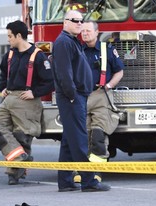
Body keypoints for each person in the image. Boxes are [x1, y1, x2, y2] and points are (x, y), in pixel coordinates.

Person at [51, 10, 110, 192]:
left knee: (69, 140)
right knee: (80, 139)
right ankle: (88, 181)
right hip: (72, 98)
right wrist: (72, 96)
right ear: (65, 22)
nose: (79, 23)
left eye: (81, 21)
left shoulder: (71, 41)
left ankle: (66, 182)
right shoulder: (63, 43)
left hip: (77, 96)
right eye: (74, 20)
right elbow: (64, 74)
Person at [0, 20, 54, 185]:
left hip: (28, 101)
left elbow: (50, 81)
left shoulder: (38, 56)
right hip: (9, 98)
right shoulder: (9, 54)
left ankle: (14, 173)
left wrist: (35, 92)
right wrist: (3, 87)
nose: (8, 39)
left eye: (10, 36)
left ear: (19, 35)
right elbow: (3, 74)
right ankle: (20, 157)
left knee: (21, 136)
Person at [81, 20, 124, 164]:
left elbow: (119, 72)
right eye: (83, 31)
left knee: (98, 135)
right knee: (84, 135)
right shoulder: (78, 51)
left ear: (96, 32)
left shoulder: (108, 49)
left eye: (88, 30)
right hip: (83, 96)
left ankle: (97, 170)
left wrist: (109, 85)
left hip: (101, 95)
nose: (85, 33)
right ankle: (85, 170)